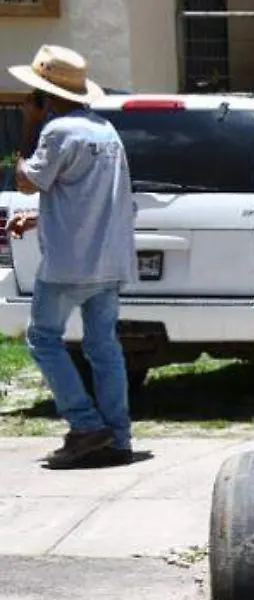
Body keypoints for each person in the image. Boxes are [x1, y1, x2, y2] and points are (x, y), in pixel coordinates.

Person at [8, 44, 138, 469]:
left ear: (46, 95)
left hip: (69, 264)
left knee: (43, 339)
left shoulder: (57, 131)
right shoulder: (105, 131)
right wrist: (38, 220)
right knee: (104, 347)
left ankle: (85, 424)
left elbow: (28, 180)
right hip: (109, 260)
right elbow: (80, 197)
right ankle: (117, 437)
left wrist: (28, 125)